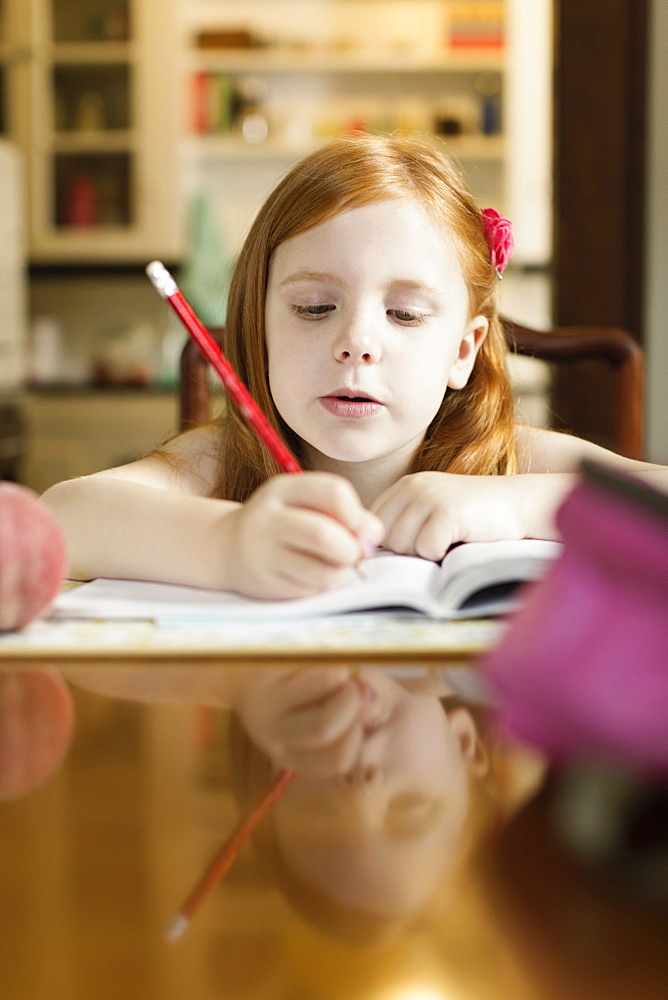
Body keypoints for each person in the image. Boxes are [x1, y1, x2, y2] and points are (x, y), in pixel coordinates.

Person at [40, 132, 668, 598]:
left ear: (462, 351)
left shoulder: (506, 458)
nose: (357, 344)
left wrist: (517, 506)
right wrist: (228, 544)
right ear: (260, 327)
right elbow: (63, 518)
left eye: (406, 315)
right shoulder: (223, 459)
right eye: (314, 308)